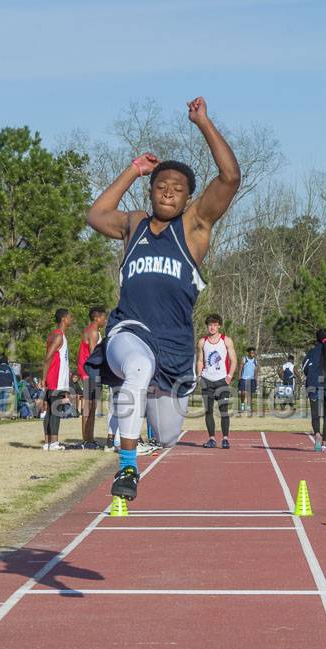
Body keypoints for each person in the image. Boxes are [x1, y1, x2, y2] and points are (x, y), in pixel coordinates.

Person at [84, 96, 240, 501]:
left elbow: (229, 178)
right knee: (136, 366)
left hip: (172, 345)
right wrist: (133, 170)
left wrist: (203, 122)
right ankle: (127, 469)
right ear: (151, 190)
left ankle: (142, 391)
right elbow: (96, 215)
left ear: (188, 198)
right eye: (160, 187)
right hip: (129, 329)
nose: (167, 193)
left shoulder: (194, 228)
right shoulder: (134, 224)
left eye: (177, 190)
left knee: (169, 435)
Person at [195, 313, 237, 449]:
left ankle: (225, 439)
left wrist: (229, 376)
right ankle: (212, 439)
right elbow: (200, 361)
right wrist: (199, 376)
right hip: (207, 380)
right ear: (207, 326)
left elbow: (234, 360)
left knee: (223, 410)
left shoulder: (226, 340)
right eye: (210, 325)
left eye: (214, 324)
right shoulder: (203, 342)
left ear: (219, 325)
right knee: (208, 411)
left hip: (221, 380)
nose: (212, 327)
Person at [42, 308, 73, 450]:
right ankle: (53, 442)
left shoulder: (56, 335)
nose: (71, 319)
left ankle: (48, 442)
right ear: (64, 319)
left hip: (56, 378)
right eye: (70, 317)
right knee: (56, 409)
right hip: (56, 378)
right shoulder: (58, 335)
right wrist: (44, 378)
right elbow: (48, 357)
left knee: (50, 410)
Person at [77, 307, 107, 448]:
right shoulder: (93, 332)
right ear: (97, 318)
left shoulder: (90, 330)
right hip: (90, 373)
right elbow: (94, 356)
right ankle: (87, 439)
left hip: (89, 373)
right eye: (103, 318)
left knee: (92, 407)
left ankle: (89, 438)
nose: (105, 321)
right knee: (89, 407)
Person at [238, 348, 258, 414]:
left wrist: (256, 379)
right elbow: (240, 369)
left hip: (252, 379)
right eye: (251, 353)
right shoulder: (244, 359)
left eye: (253, 353)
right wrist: (239, 377)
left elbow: (255, 371)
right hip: (244, 378)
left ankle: (249, 407)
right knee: (243, 393)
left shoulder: (255, 361)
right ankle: (242, 406)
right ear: (248, 353)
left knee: (250, 394)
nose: (253, 354)